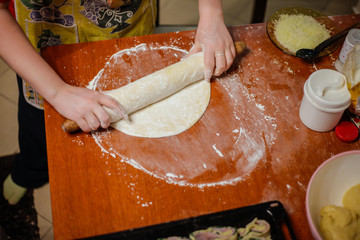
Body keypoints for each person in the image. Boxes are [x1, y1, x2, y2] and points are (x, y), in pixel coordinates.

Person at [0, 0, 235, 205]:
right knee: (39, 131)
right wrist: (57, 91)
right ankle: (30, 172)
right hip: (44, 56)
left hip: (128, 28)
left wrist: (211, 12)